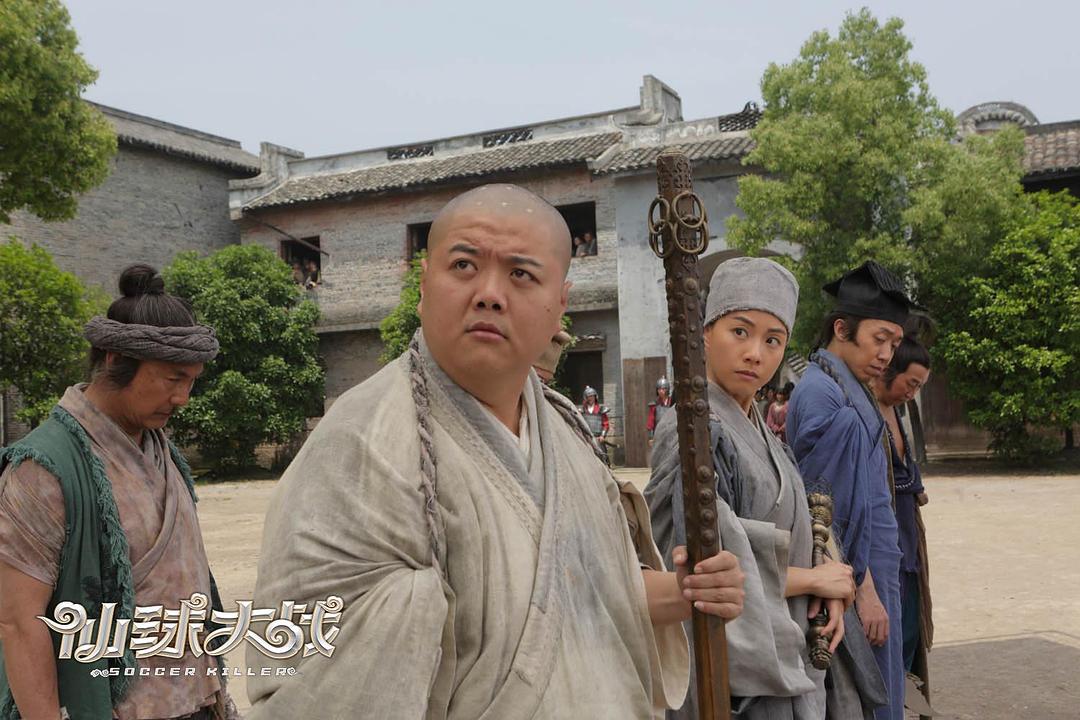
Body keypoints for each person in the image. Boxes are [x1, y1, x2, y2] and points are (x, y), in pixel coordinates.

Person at [246, 184, 746, 718]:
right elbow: (302, 670)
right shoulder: (359, 442)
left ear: (560, 306)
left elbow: (586, 598)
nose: (489, 294)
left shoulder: (569, 438)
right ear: (424, 286)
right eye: (464, 266)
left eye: (521, 274)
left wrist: (687, 591)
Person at [0, 264, 238, 720]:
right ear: (115, 360)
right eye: (173, 379)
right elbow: (18, 621)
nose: (184, 398)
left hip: (197, 700)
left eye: (192, 381)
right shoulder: (43, 467)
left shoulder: (162, 451)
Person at [646, 256, 862, 720]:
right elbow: (703, 567)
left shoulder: (763, 431)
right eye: (739, 331)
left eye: (772, 340)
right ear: (705, 333)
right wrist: (812, 580)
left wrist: (828, 574)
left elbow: (798, 525)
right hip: (730, 673)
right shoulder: (695, 431)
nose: (754, 353)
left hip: (790, 645)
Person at [787, 260, 921, 720]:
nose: (886, 354)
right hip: (859, 576)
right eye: (879, 339)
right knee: (862, 698)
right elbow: (825, 511)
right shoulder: (821, 393)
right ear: (842, 329)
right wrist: (863, 589)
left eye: (894, 344)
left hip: (880, 566)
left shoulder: (852, 387)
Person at [871, 338, 933, 708]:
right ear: (890, 371)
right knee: (886, 639)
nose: (912, 393)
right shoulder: (865, 411)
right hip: (882, 542)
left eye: (919, 386)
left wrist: (915, 488)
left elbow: (906, 469)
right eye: (910, 383)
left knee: (909, 631)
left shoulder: (897, 412)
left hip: (907, 538)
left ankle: (903, 706)